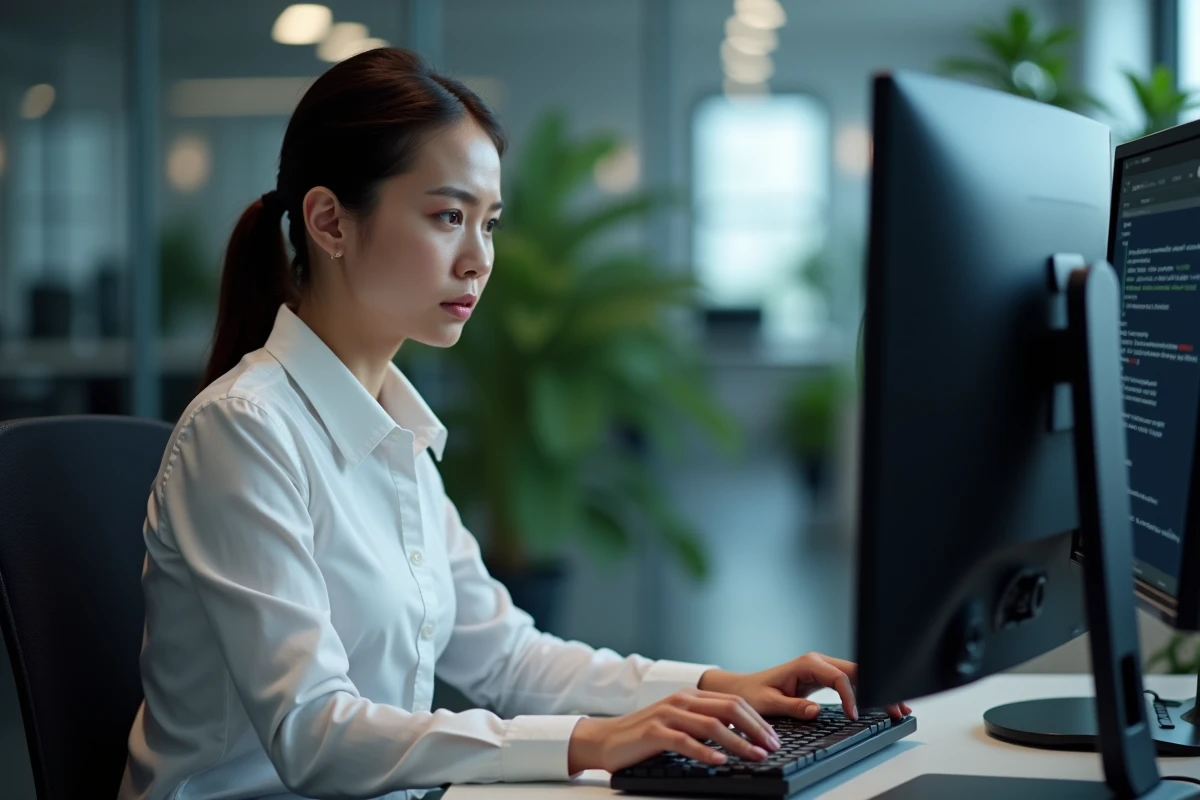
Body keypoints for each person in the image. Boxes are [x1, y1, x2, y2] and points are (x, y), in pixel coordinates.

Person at [118, 48, 907, 800]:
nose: (478, 259)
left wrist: (716, 687)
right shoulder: (245, 430)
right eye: (446, 217)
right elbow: (313, 730)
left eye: (489, 223)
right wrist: (587, 742)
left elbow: (507, 656)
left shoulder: (394, 433)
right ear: (329, 223)